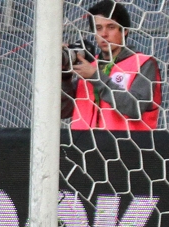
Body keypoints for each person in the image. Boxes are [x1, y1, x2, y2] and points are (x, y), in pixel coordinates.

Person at [61, 0, 162, 131]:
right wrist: (65, 78)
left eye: (111, 27)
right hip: (84, 147)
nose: (104, 34)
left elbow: (135, 108)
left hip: (127, 148)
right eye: (98, 28)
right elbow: (64, 111)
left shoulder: (143, 63)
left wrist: (95, 77)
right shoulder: (90, 64)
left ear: (124, 31)